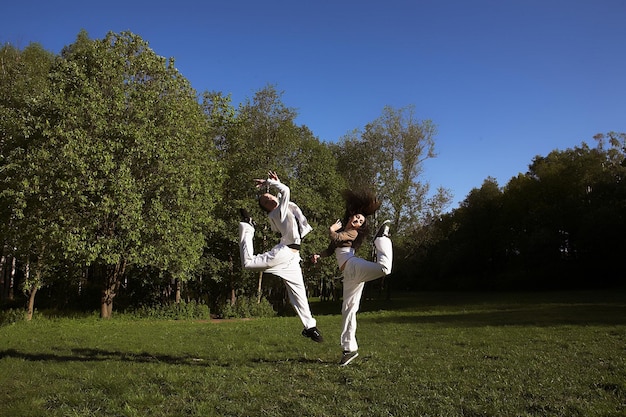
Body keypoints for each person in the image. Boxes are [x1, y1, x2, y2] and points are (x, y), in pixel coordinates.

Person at [238, 170, 323, 343]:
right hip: (283, 253)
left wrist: (275, 183)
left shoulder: (283, 208)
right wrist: (273, 184)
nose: (269, 199)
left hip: (293, 257)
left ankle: (310, 327)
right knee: (247, 263)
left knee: (298, 294)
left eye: (269, 196)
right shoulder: (277, 212)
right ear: (267, 208)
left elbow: (283, 195)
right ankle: (248, 227)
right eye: (265, 200)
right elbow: (286, 192)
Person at [311, 189, 392, 365]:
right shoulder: (343, 233)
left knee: (385, 268)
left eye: (361, 221)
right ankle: (349, 349)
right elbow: (331, 248)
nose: (357, 221)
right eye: (357, 217)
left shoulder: (351, 234)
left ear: (359, 227)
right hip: (349, 275)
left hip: (353, 266)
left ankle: (381, 238)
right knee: (348, 309)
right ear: (351, 216)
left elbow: (338, 237)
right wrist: (319, 255)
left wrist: (330, 230)